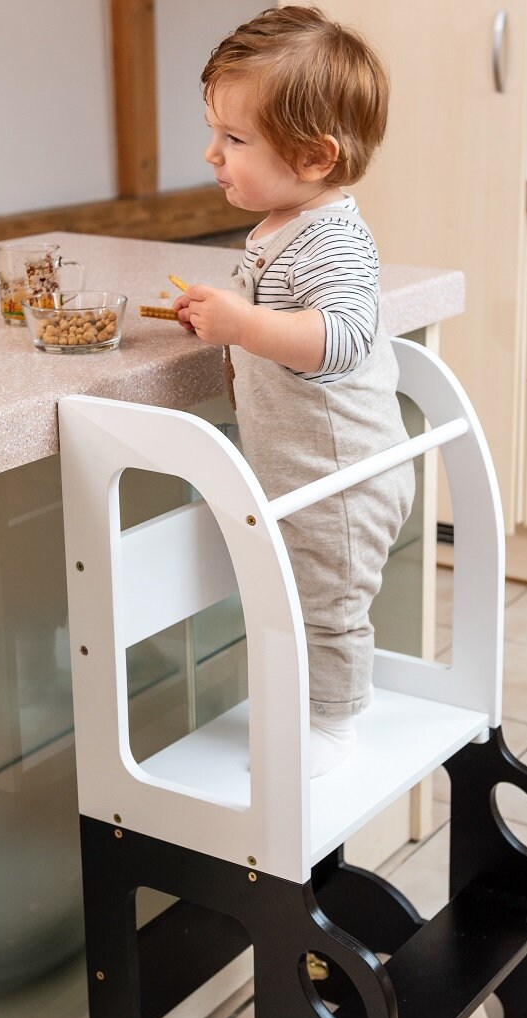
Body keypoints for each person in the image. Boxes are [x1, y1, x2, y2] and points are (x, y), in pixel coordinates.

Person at [173, 5, 414, 777]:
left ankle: (333, 727)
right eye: (215, 132)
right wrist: (227, 319)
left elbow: (339, 338)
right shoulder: (286, 224)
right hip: (305, 471)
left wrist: (242, 325)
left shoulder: (331, 237)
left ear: (313, 157)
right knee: (302, 601)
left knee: (326, 609)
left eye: (234, 139)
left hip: (340, 480)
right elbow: (280, 320)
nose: (212, 154)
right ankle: (314, 710)